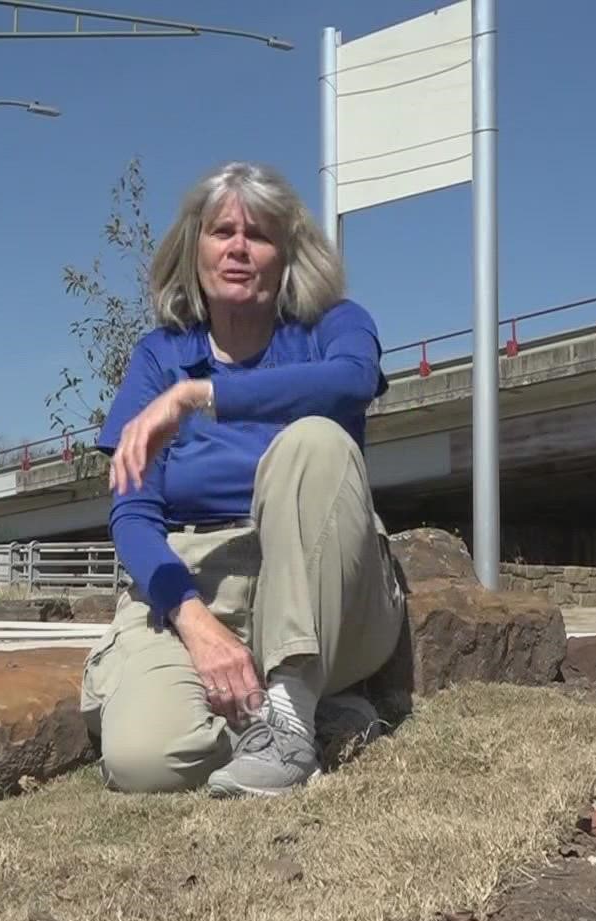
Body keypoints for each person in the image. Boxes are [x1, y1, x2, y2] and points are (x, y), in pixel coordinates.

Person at [79, 161, 405, 799]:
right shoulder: (158, 357)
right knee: (147, 760)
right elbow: (134, 516)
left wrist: (201, 397)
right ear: (193, 248)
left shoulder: (333, 326)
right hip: (201, 585)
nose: (236, 247)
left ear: (287, 255)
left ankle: (289, 714)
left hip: (326, 590)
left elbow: (352, 380)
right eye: (221, 231)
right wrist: (199, 630)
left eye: (258, 235)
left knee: (311, 441)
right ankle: (314, 715)